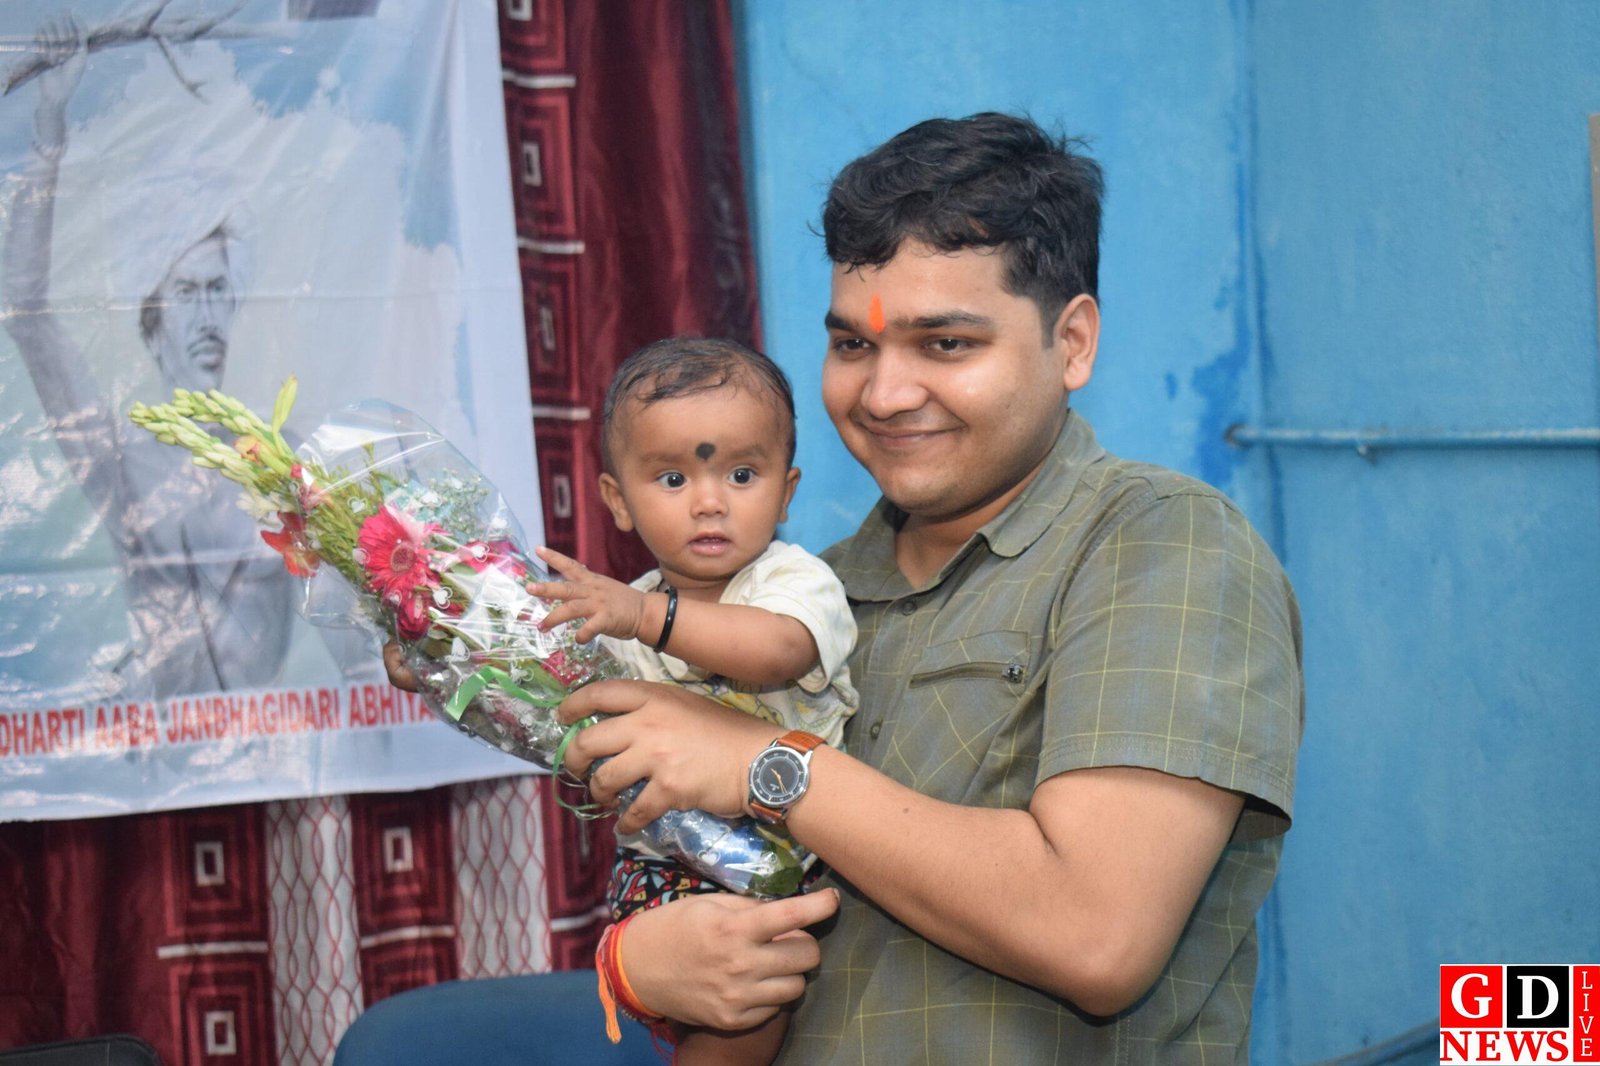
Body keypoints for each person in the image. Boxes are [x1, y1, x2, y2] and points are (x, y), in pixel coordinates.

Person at [548, 112, 1305, 1064]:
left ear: (1072, 342)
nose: (884, 394)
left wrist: (769, 764)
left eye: (944, 344)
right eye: (853, 346)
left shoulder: (1160, 544)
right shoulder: (799, 594)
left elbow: (1095, 935)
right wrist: (642, 964)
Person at [526, 336, 858, 1063]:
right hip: (665, 868)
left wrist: (649, 618)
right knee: (723, 1010)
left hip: (791, 860)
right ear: (619, 500)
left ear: (786, 492)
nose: (710, 502)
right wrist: (444, 658)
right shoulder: (621, 614)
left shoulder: (793, 582)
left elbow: (778, 649)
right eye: (673, 479)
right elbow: (558, 712)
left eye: (741, 474)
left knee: (749, 1014)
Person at [2, 14, 293, 697]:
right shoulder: (121, 462)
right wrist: (48, 138)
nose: (207, 312)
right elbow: (26, 310)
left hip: (279, 744)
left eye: (218, 288)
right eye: (185, 291)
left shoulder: (286, 458)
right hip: (169, 742)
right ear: (153, 319)